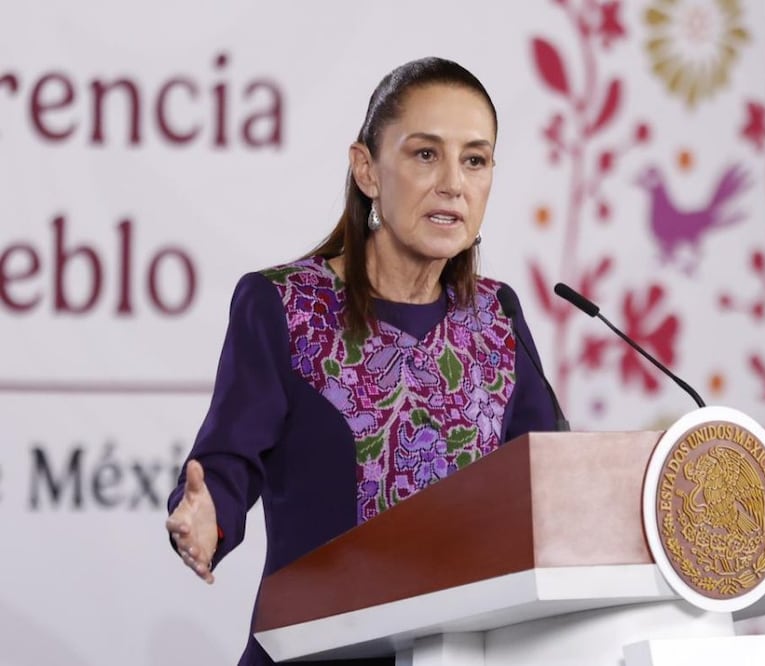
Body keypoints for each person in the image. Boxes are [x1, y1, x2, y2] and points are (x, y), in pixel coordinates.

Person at [165, 56, 558, 665]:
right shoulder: (283, 305)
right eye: (426, 154)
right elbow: (227, 463)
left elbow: (554, 479)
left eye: (475, 160)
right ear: (367, 169)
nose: (453, 182)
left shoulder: (495, 315)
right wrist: (206, 516)